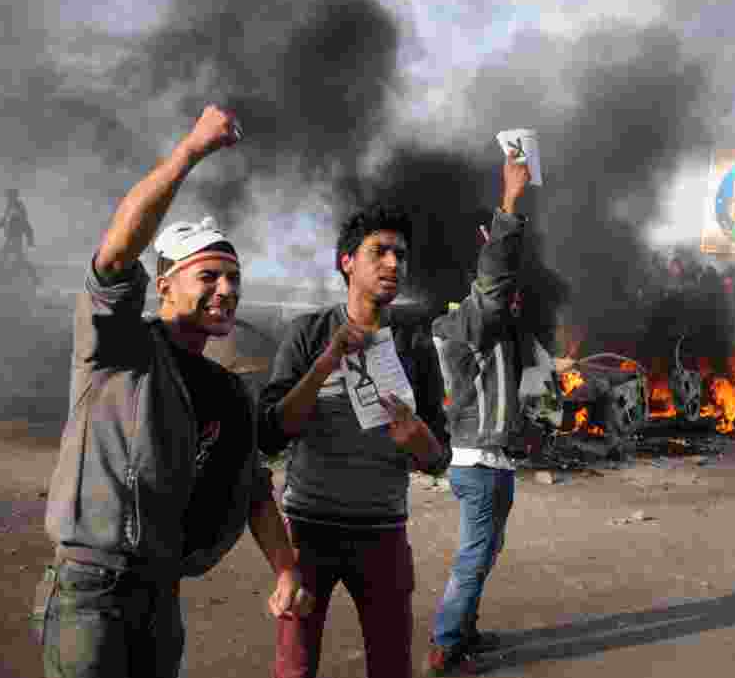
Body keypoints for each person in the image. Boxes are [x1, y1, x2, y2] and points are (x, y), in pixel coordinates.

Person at [34, 106, 311, 678]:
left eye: (233, 278)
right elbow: (113, 257)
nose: (226, 289)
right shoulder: (118, 350)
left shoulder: (227, 392)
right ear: (164, 285)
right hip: (90, 593)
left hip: (160, 596)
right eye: (208, 275)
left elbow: (252, 488)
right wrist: (192, 150)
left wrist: (286, 569)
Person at [257, 194, 451, 678]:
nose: (393, 264)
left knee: (390, 666)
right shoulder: (307, 333)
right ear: (347, 263)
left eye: (401, 255)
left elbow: (437, 459)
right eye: (379, 252)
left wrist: (416, 435)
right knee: (295, 667)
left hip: (383, 533)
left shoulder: (413, 343)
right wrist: (326, 362)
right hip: (308, 531)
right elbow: (272, 433)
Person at [425, 151, 570, 675]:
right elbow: (494, 284)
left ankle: (464, 632)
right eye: (502, 296)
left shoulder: (492, 333)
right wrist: (510, 203)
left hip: (493, 462)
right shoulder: (466, 327)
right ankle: (445, 645)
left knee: (484, 553)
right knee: (473, 557)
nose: (512, 302)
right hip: (479, 465)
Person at [0, 188, 40, 285]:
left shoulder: (17, 207)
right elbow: (3, 222)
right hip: (11, 238)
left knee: (9, 258)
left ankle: (33, 279)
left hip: (15, 239)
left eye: (9, 196)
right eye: (7, 196)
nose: (7, 198)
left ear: (14, 196)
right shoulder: (10, 207)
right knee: (16, 259)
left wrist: (30, 240)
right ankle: (32, 279)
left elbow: (25, 224)